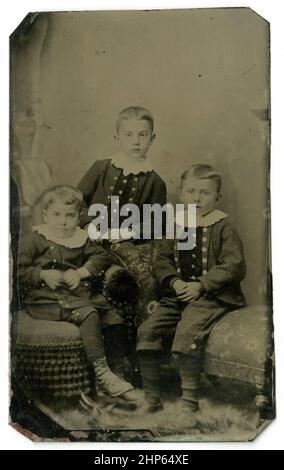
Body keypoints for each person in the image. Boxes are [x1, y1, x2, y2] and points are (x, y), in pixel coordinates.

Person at [137, 164, 247, 417]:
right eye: (191, 191)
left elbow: (234, 266)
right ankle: (152, 399)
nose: (197, 198)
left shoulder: (223, 227)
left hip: (213, 296)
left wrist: (201, 285)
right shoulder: (176, 224)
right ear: (181, 194)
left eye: (205, 193)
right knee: (147, 330)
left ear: (217, 196)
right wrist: (174, 283)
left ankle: (189, 403)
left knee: (187, 332)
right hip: (178, 294)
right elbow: (161, 260)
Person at [17, 185, 139, 406]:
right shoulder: (35, 240)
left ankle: (116, 374)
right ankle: (102, 373)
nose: (63, 221)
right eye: (56, 215)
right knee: (89, 313)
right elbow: (14, 269)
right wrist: (42, 273)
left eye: (70, 215)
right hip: (46, 299)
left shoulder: (81, 238)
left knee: (113, 318)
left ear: (79, 216)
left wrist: (82, 271)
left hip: (78, 295)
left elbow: (102, 257)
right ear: (45, 215)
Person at [78, 106, 167, 240]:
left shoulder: (155, 182)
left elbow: (157, 223)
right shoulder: (100, 168)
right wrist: (89, 225)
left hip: (129, 243)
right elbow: (76, 201)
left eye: (142, 135)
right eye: (128, 134)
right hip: (90, 237)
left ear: (152, 139)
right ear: (117, 137)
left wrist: (127, 233)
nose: (136, 141)